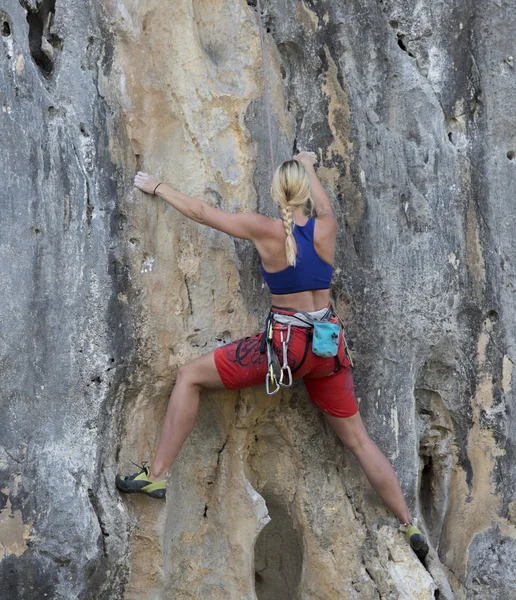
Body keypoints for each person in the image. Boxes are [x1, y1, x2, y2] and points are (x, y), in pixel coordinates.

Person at [116, 152, 429, 559]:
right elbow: (326, 206)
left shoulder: (263, 229)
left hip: (286, 347)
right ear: (305, 194)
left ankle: (156, 476)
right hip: (327, 348)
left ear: (275, 194)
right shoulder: (327, 228)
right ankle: (407, 524)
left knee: (190, 376)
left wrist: (157, 187)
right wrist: (309, 166)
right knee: (359, 441)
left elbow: (201, 212)